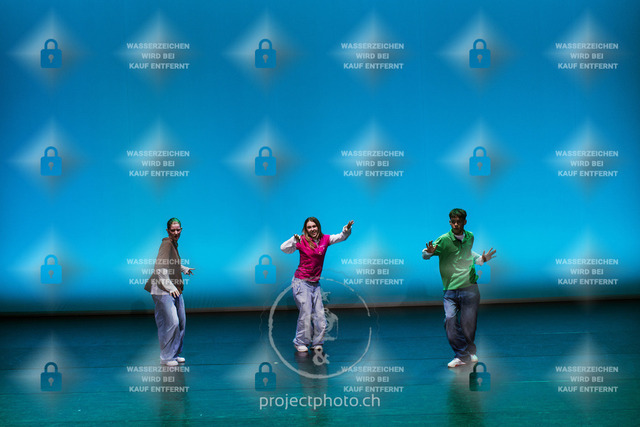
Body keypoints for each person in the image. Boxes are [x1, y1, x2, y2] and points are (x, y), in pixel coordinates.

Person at [422, 209, 496, 368]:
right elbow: (426, 254)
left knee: (469, 324)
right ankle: (462, 354)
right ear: (450, 222)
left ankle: (469, 352)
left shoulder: (470, 236)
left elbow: (467, 254)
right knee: (449, 319)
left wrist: (481, 259)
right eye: (453, 222)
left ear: (464, 222)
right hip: (450, 289)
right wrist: (428, 253)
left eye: (459, 221)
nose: (456, 224)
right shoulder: (444, 239)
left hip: (470, 287)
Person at [281, 217, 354, 353]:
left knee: (320, 315)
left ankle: (317, 342)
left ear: (318, 227)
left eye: (314, 226)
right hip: (301, 282)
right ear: (306, 229)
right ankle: (300, 342)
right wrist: (293, 240)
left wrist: (347, 229)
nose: (312, 229)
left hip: (315, 283)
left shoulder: (325, 239)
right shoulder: (301, 240)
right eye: (309, 227)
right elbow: (284, 248)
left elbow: (341, 237)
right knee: (306, 313)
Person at [145, 218, 195, 366]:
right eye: (173, 230)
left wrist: (183, 269)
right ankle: (166, 357)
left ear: (181, 229)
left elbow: (172, 263)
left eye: (178, 230)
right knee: (170, 323)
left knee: (181, 322)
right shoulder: (166, 244)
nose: (176, 232)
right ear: (168, 231)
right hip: (162, 289)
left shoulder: (173, 243)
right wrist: (170, 287)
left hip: (174, 287)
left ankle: (174, 353)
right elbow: (160, 268)